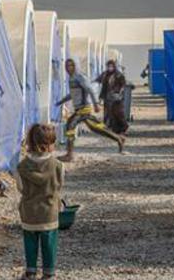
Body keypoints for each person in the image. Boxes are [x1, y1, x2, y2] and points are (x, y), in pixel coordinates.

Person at [15, 124, 63, 280]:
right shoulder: (57, 165)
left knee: (30, 241)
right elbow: (59, 185)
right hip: (49, 212)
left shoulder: (21, 166)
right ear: (49, 145)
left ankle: (30, 272)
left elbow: (20, 188)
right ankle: (49, 273)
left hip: (29, 213)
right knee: (49, 242)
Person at [56, 59, 125, 162]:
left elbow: (90, 90)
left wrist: (96, 104)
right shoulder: (71, 78)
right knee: (96, 128)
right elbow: (73, 94)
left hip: (84, 108)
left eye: (71, 65)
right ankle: (118, 138)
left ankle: (69, 154)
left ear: (76, 66)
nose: (69, 68)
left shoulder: (80, 77)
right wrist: (62, 101)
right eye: (67, 66)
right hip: (79, 108)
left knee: (70, 125)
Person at [95, 60, 129, 134]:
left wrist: (119, 92)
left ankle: (124, 129)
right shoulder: (105, 75)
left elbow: (123, 85)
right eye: (108, 66)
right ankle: (114, 129)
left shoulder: (118, 75)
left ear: (114, 67)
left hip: (117, 98)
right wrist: (100, 97)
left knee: (119, 114)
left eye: (111, 66)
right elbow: (103, 86)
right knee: (109, 114)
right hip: (108, 98)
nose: (110, 68)